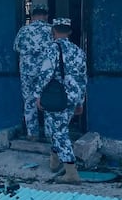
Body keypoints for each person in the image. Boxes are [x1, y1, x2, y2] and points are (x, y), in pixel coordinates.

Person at [33, 18, 87, 183]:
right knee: (58, 129)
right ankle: (55, 161)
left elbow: (45, 74)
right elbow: (83, 78)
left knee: (59, 132)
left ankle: (71, 171)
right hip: (72, 97)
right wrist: (80, 101)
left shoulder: (52, 49)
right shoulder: (79, 51)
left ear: (53, 31)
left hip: (57, 97)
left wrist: (38, 95)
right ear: (69, 32)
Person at [13, 4, 52, 140]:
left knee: (29, 102)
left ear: (33, 16)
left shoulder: (24, 30)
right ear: (46, 16)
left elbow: (16, 47)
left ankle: (32, 134)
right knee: (47, 101)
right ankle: (49, 134)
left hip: (27, 73)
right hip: (46, 74)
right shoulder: (52, 30)